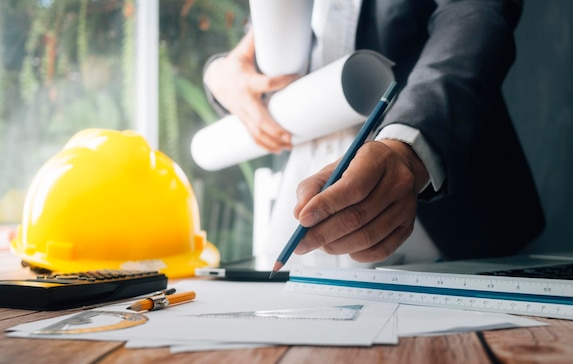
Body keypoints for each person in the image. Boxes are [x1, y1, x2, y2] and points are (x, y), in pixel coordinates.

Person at [202, 0, 544, 271]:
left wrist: (410, 150)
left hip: (449, 228)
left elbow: (473, 13)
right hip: (297, 207)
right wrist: (219, 74)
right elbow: (267, 47)